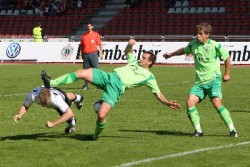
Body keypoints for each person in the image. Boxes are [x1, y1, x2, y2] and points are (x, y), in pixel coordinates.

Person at [41, 38, 182, 140]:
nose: (141, 59)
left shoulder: (149, 77)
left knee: (101, 115)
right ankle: (51, 82)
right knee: (81, 73)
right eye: (141, 56)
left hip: (116, 88)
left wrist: (167, 103)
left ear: (150, 62)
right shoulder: (134, 61)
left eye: (144, 58)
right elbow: (128, 51)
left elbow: (158, 93)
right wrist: (129, 44)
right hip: (109, 76)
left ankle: (95, 135)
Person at [163, 22, 238, 137]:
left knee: (217, 102)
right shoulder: (193, 44)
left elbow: (226, 58)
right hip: (199, 82)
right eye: (197, 33)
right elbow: (183, 50)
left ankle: (232, 130)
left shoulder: (214, 45)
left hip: (214, 80)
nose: (197, 36)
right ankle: (198, 131)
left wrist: (227, 74)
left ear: (207, 35)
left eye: (200, 33)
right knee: (190, 101)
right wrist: (171, 54)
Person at [14, 86, 84, 133]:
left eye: (46, 103)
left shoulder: (56, 100)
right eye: (42, 103)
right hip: (52, 91)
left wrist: (53, 124)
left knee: (69, 115)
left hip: (58, 94)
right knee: (66, 96)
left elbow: (69, 113)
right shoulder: (33, 95)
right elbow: (25, 106)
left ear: (50, 98)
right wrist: (20, 115)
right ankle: (79, 98)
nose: (44, 106)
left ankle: (71, 125)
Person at [80, 21, 104, 90]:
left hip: (93, 54)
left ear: (92, 27)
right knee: (86, 70)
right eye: (87, 26)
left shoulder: (96, 35)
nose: (88, 27)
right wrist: (80, 54)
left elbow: (100, 44)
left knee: (96, 70)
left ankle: (98, 85)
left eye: (90, 26)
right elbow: (81, 46)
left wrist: (101, 52)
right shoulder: (84, 35)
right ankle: (86, 85)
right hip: (86, 54)